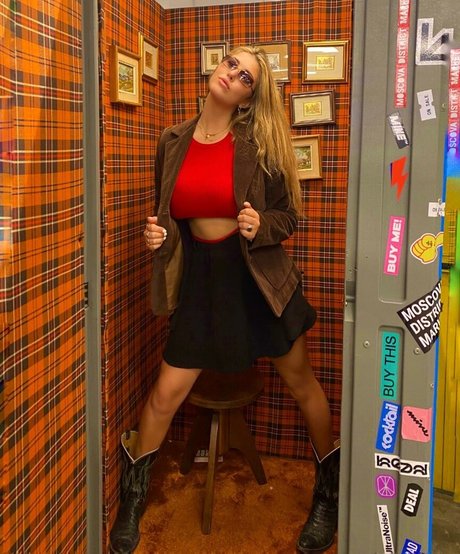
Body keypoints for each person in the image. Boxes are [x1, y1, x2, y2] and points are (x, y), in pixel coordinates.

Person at [109, 45, 340, 554]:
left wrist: (261, 225)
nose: (233, 74)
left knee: (302, 384)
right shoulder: (172, 140)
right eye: (232, 64)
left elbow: (288, 216)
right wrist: (158, 235)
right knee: (164, 395)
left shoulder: (259, 144)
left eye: (246, 77)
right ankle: (134, 498)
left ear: (248, 98)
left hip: (258, 281)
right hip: (202, 282)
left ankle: (328, 494)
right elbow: (171, 217)